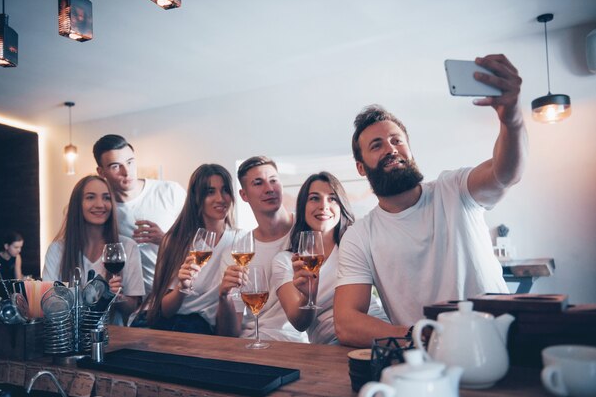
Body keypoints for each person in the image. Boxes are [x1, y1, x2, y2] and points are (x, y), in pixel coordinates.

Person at [334, 54, 528, 348]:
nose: (391, 148)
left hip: (503, 341)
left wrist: (511, 119)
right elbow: (346, 323)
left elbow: (505, 173)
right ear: (361, 167)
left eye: (397, 140)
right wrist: (423, 336)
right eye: (377, 145)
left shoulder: (455, 189)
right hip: (429, 356)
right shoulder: (360, 236)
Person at [272, 172, 387, 344]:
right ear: (302, 207)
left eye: (332, 198)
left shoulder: (356, 244)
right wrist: (308, 294)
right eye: (314, 198)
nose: (324, 206)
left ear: (341, 206)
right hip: (333, 343)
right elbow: (299, 324)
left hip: (378, 327)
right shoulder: (285, 261)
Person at [216, 156, 307, 342]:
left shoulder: (308, 233)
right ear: (244, 195)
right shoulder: (236, 252)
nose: (269, 188)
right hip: (254, 343)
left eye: (273, 180)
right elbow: (229, 333)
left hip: (302, 343)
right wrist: (224, 296)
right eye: (258, 183)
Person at [145, 164, 236, 334]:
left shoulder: (239, 243)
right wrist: (182, 287)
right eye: (210, 192)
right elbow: (163, 310)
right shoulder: (176, 241)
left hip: (212, 332)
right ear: (196, 198)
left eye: (225, 190)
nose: (220, 198)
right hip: (174, 329)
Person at [42, 175, 144, 325]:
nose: (100, 204)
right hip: (68, 340)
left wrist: (116, 295)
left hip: (112, 340)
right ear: (77, 204)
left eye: (106, 198)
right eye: (90, 197)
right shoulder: (57, 250)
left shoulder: (128, 247)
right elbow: (50, 302)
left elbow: (132, 308)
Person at [93, 134, 186, 297]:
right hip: (134, 303)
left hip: (177, 295)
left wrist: (164, 239)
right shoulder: (103, 210)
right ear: (101, 172)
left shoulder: (170, 192)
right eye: (115, 166)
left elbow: (200, 243)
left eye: (130, 162)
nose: (126, 171)